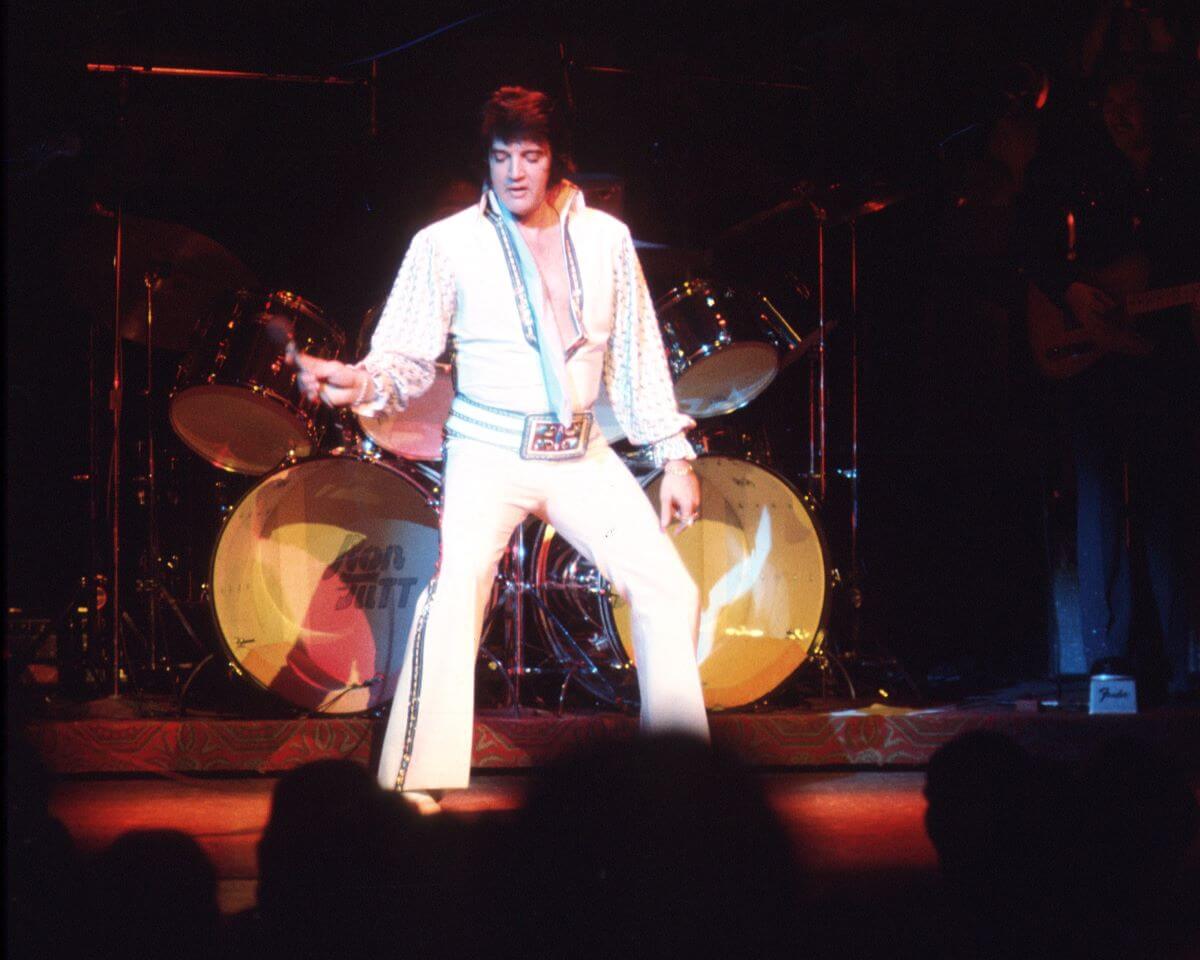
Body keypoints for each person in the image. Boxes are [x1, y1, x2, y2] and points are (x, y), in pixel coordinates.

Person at [295, 86, 710, 809]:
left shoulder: (606, 239)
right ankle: (414, 780)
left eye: (530, 155)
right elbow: (405, 354)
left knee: (668, 588)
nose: (515, 171)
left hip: (581, 454)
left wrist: (674, 455)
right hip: (489, 450)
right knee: (456, 595)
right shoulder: (446, 243)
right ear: (485, 161)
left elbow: (638, 353)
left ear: (555, 160)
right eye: (500, 156)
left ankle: (684, 784)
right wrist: (359, 382)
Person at [1019, 69, 1199, 700]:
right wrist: (1075, 293)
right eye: (1116, 105)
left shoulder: (1182, 172)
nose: (1128, 117)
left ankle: (1179, 663)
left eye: (1138, 103)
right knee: (1098, 496)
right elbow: (1031, 245)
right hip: (1094, 357)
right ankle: (1106, 658)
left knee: (1166, 504)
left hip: (1166, 356)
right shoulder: (1079, 170)